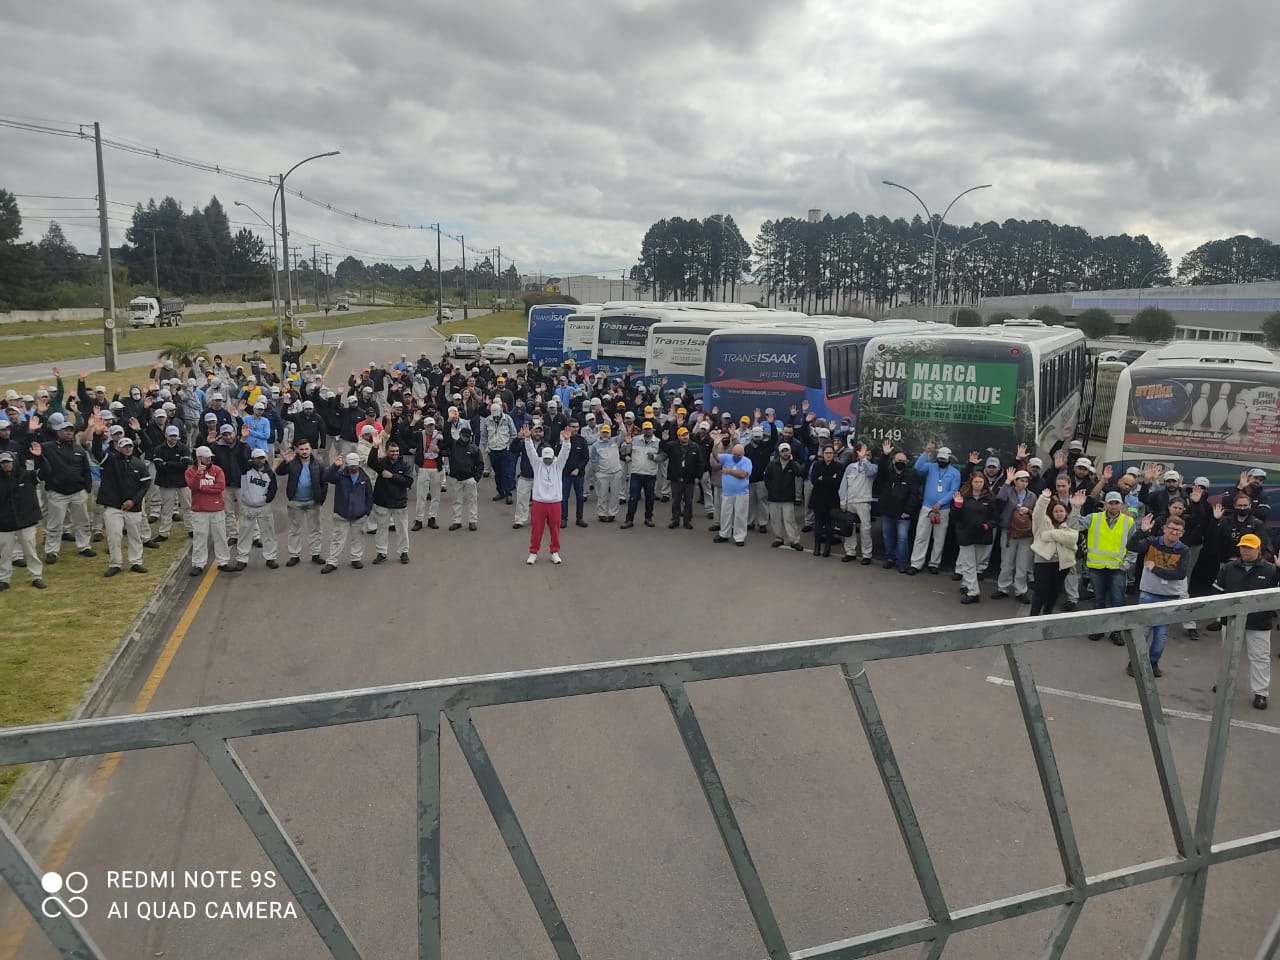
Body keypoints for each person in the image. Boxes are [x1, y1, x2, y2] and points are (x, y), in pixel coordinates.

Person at [1212, 534, 1278, 709]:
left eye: (1249, 547)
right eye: (1243, 547)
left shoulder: (1271, 570)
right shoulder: (1229, 567)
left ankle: (1261, 693)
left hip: (1259, 623)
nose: (1245, 550)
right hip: (1232, 620)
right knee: (1228, 654)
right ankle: (1225, 683)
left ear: (1258, 549)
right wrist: (1221, 616)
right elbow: (1218, 593)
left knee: (1260, 658)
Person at [1124, 511, 1191, 678]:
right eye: (1172, 529)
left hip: (1170, 597)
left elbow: (1180, 574)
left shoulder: (1184, 550)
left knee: (1161, 636)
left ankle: (1153, 662)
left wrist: (1156, 569)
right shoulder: (1152, 542)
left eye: (1178, 531)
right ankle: (1134, 662)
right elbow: (1131, 546)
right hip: (1149, 594)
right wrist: (1142, 531)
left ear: (1182, 533)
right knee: (1143, 632)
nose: (1174, 533)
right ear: (1164, 529)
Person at [36, 411, 95, 562]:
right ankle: (52, 551)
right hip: (57, 492)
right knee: (55, 524)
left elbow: (86, 469)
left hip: (78, 492)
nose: (69, 433)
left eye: (70, 430)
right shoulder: (48, 447)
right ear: (58, 432)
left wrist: (87, 488)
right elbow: (34, 448)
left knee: (82, 521)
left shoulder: (78, 450)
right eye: (65, 430)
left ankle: (84, 546)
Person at [1085, 490, 1136, 644]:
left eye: (1116, 503)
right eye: (1110, 503)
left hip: (1117, 569)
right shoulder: (1093, 518)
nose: (1113, 506)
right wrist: (1075, 508)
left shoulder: (1128, 522)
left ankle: (1116, 631)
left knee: (1117, 601)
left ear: (1121, 504)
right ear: (1105, 504)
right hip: (1097, 567)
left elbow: (1133, 545)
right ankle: (1098, 629)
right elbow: (1073, 525)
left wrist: (1128, 563)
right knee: (1099, 601)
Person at [97, 435, 152, 577]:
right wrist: (97, 435)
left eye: (130, 446)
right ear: (118, 447)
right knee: (114, 535)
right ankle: (115, 563)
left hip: (133, 507)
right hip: (113, 506)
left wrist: (133, 501)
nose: (127, 449)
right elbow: (96, 452)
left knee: (135, 535)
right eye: (124, 446)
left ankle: (136, 562)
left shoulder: (139, 464)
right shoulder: (110, 460)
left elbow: (145, 484)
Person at [1029, 489, 1086, 616]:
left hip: (1061, 565)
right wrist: (1043, 500)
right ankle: (1033, 617)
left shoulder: (1068, 526)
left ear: (1066, 513)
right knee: (1040, 591)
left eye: (1062, 511)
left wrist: (1051, 534)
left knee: (1054, 592)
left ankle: (1047, 615)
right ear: (1051, 512)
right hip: (1043, 563)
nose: (1059, 514)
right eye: (1056, 511)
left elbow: (1072, 538)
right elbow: (1037, 515)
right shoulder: (1042, 524)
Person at [523, 423, 573, 564]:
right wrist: (528, 439)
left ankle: (554, 552)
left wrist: (567, 441)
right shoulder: (537, 463)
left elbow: (565, 453)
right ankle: (533, 552)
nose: (547, 462)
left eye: (549, 459)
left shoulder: (558, 464)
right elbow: (530, 451)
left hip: (555, 502)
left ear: (553, 457)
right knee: (536, 529)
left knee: (555, 529)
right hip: (539, 502)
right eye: (545, 459)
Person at [910, 443, 960, 575]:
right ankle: (916, 563)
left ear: (949, 459)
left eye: (944, 460)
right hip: (927, 507)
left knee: (939, 538)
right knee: (921, 536)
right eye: (939, 459)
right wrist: (926, 453)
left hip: (943, 509)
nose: (941, 462)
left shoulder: (955, 473)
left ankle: (934, 563)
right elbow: (918, 467)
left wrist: (941, 502)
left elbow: (953, 491)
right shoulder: (931, 467)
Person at [0, 448, 46, 590]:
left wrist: (40, 457)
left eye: (8, 462)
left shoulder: (27, 475)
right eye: (3, 463)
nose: (6, 465)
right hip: (4, 524)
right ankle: (4, 579)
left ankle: (36, 576)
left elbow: (45, 472)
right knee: (4, 553)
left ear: (14, 462)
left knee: (30, 551)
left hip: (26, 521)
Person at [322, 451, 374, 572]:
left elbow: (369, 495)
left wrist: (367, 512)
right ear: (346, 465)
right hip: (342, 514)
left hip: (359, 515)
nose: (353, 469)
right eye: (351, 467)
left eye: (355, 466)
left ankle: (356, 558)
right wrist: (335, 466)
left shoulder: (364, 477)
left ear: (358, 464)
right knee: (337, 539)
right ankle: (332, 561)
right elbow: (326, 477)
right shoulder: (340, 475)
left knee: (358, 538)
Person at [186, 445, 233, 576]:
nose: (208, 459)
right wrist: (199, 475)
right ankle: (198, 564)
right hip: (199, 511)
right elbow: (193, 486)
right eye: (206, 457)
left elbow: (220, 486)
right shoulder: (190, 472)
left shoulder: (217, 470)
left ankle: (223, 561)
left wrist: (203, 488)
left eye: (210, 457)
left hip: (217, 509)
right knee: (200, 537)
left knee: (221, 536)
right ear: (199, 458)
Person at [952, 471, 998, 604]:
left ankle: (966, 584)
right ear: (971, 483)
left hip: (982, 535)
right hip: (965, 534)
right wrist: (957, 506)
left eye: (981, 482)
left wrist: (987, 526)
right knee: (967, 564)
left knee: (975, 564)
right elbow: (955, 518)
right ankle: (973, 592)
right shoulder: (963, 497)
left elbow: (995, 518)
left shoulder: (989, 499)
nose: (978, 484)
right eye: (976, 482)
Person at [368, 434, 414, 565]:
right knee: (381, 529)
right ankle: (381, 553)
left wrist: (392, 476)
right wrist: (375, 447)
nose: (395, 453)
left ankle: (403, 552)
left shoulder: (405, 465)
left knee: (402, 529)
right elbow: (371, 462)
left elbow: (408, 482)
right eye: (392, 451)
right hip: (383, 502)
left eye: (397, 451)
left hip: (399, 503)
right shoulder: (382, 463)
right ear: (387, 451)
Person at [992, 468, 1035, 602]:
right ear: (1015, 481)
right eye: (1021, 480)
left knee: (1022, 563)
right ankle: (1003, 588)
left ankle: (1020, 590)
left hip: (1025, 532)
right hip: (1009, 530)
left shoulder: (1032, 496)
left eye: (1026, 481)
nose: (1024, 483)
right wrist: (1007, 482)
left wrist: (1027, 510)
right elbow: (999, 498)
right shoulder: (1009, 491)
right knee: (1007, 561)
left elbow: (1036, 513)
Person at [233, 448, 279, 570]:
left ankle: (270, 558)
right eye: (257, 458)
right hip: (248, 507)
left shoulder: (269, 473)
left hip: (264, 507)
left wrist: (266, 499)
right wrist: (242, 440)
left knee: (269, 533)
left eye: (262, 458)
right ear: (252, 459)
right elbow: (238, 456)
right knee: (244, 534)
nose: (260, 461)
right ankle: (242, 559)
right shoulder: (246, 470)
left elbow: (273, 488)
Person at [150, 425, 192, 542]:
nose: (173, 438)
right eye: (171, 435)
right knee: (167, 508)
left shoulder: (183, 448)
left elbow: (184, 465)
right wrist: (176, 465)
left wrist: (167, 464)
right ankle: (164, 533)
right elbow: (159, 467)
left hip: (182, 482)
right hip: (166, 483)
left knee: (188, 506)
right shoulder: (159, 449)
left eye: (175, 435)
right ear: (166, 436)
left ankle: (191, 529)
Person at [838, 442, 877, 564]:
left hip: (863, 502)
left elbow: (870, 473)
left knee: (865, 529)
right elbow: (843, 485)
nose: (866, 456)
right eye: (864, 453)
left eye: (868, 454)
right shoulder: (850, 467)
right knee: (849, 527)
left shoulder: (873, 467)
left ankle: (867, 555)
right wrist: (843, 501)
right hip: (850, 502)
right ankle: (850, 552)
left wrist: (864, 459)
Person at [763, 441, 804, 551]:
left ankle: (794, 540)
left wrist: (793, 462)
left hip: (787, 498)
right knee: (775, 519)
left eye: (787, 451)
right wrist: (770, 489)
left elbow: (800, 473)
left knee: (789, 520)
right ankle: (778, 538)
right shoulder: (772, 464)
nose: (785, 453)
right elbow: (766, 477)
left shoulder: (793, 464)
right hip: (774, 497)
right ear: (779, 452)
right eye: (783, 451)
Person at [664, 426, 704, 530]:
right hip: (676, 478)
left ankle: (687, 520)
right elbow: (664, 449)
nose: (685, 437)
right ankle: (675, 520)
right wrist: (664, 440)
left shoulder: (695, 446)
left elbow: (700, 463)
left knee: (689, 501)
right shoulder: (673, 445)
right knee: (676, 500)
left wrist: (698, 476)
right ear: (678, 436)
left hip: (689, 479)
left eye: (686, 434)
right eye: (683, 435)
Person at [446, 424, 483, 531]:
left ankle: (473, 521)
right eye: (464, 436)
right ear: (460, 435)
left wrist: (476, 478)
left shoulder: (474, 448)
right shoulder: (453, 445)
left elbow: (480, 463)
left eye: (468, 436)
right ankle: (456, 521)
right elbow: (446, 435)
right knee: (456, 500)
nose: (466, 438)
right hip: (455, 478)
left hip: (469, 478)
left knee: (472, 500)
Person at [807, 444, 843, 557]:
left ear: (834, 454)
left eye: (830, 453)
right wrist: (830, 478)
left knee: (829, 526)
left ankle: (827, 546)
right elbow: (814, 480)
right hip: (818, 499)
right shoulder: (817, 465)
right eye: (826, 453)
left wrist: (823, 478)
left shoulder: (839, 466)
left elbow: (837, 481)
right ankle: (817, 546)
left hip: (832, 500)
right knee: (818, 525)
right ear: (823, 454)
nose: (828, 455)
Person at [715, 442, 752, 546]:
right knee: (725, 514)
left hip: (741, 493)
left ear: (743, 454)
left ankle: (739, 537)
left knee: (740, 515)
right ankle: (724, 534)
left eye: (739, 455)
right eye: (734, 454)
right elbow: (715, 456)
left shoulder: (747, 461)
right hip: (727, 492)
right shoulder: (727, 458)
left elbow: (742, 474)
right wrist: (715, 445)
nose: (736, 457)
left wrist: (729, 471)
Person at [559, 419, 590, 529]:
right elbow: (558, 455)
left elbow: (586, 457)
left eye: (577, 427)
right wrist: (561, 442)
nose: (576, 429)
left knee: (580, 497)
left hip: (578, 474)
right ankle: (563, 519)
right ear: (568, 427)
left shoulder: (581, 441)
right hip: (565, 474)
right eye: (573, 427)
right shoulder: (563, 439)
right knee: (564, 497)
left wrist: (578, 468)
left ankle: (579, 518)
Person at [589, 423, 623, 523]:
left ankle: (612, 513)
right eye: (603, 432)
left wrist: (620, 423)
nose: (605, 434)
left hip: (616, 472)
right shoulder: (595, 445)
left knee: (615, 494)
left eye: (607, 433)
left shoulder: (615, 441)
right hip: (602, 474)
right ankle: (601, 513)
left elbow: (624, 433)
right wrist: (597, 472)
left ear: (610, 433)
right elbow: (593, 459)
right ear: (600, 433)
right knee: (602, 495)